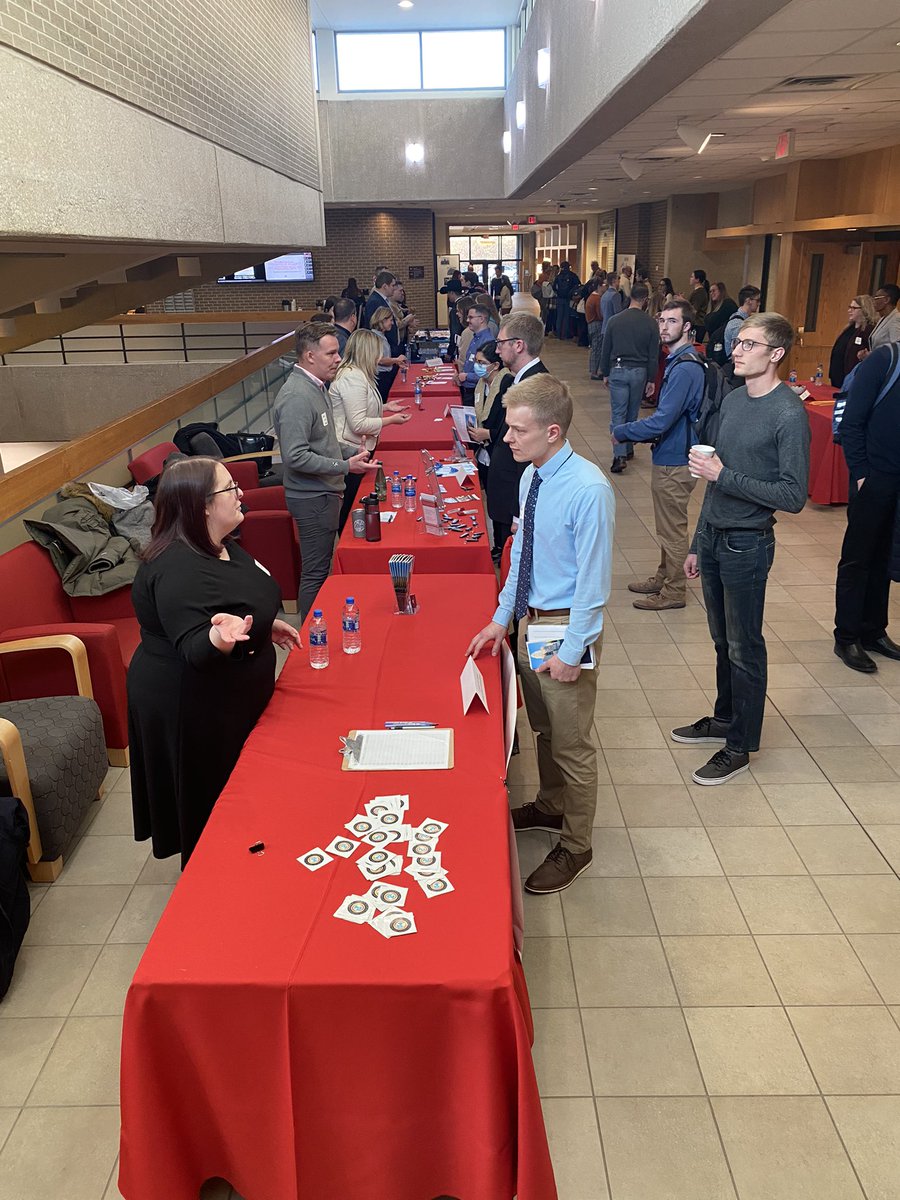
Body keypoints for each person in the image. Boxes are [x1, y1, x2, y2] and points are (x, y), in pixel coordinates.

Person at [467, 374, 615, 894]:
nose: (506, 437)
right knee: (545, 731)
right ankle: (552, 805)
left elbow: (594, 584)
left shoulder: (589, 489)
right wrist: (501, 619)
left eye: (517, 429)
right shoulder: (533, 477)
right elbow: (522, 563)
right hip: (531, 621)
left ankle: (577, 845)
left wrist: (573, 651)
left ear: (553, 431)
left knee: (573, 745)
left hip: (564, 626)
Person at [127, 457, 302, 866]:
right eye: (229, 488)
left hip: (229, 690)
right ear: (202, 505)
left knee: (242, 786)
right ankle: (216, 870)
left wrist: (262, 626)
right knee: (211, 797)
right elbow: (195, 649)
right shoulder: (177, 567)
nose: (240, 492)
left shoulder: (219, 544)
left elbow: (238, 597)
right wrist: (220, 638)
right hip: (191, 702)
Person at [676, 312, 810, 785]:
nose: (736, 350)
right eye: (737, 343)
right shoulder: (733, 400)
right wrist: (697, 541)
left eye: (749, 344)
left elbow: (794, 495)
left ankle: (739, 747)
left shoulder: (788, 413)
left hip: (748, 545)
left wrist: (724, 477)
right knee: (720, 640)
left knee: (744, 646)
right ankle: (726, 717)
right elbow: (715, 480)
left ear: (775, 354)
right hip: (714, 538)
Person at [273, 323, 378, 619]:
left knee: (322, 567)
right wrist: (345, 465)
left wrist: (351, 452)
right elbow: (295, 457)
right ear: (309, 356)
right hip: (312, 499)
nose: (338, 359)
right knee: (316, 572)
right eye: (331, 353)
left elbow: (324, 442)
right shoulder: (296, 397)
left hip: (324, 494)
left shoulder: (316, 387)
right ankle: (311, 633)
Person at [612, 300, 705, 610]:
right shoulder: (680, 361)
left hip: (676, 461)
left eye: (672, 321)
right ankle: (664, 575)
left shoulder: (686, 367)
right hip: (671, 454)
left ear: (687, 327)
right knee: (667, 525)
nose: (664, 327)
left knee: (672, 528)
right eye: (662, 321)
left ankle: (674, 591)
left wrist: (624, 431)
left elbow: (662, 419)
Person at [832, 342, 900, 672]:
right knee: (858, 558)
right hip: (873, 478)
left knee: (886, 557)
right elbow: (851, 422)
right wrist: (861, 475)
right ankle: (846, 636)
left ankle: (874, 630)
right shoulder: (886, 359)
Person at [330, 329, 411, 531]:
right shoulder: (352, 378)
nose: (379, 356)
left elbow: (359, 406)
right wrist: (390, 420)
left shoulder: (358, 374)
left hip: (358, 447)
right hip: (349, 449)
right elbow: (358, 423)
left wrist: (385, 407)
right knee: (350, 506)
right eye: (376, 351)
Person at [484, 312, 549, 557]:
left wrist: (518, 514)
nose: (497, 350)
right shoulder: (518, 379)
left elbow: (531, 459)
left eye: (500, 343)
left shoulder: (536, 387)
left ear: (518, 345)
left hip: (514, 496)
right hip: (506, 491)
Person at [598, 282, 660, 473]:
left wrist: (605, 372)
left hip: (617, 368)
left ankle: (619, 455)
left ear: (630, 297)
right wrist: (651, 378)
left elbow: (605, 347)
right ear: (645, 300)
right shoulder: (650, 323)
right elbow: (653, 354)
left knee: (618, 413)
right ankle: (629, 446)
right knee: (632, 413)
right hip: (639, 372)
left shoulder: (615, 321)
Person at [467, 340, 510, 489]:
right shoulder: (481, 383)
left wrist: (488, 434)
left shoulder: (506, 385)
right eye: (476, 361)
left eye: (482, 362)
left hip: (499, 453)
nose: (477, 366)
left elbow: (506, 424)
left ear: (496, 365)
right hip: (482, 453)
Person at [828, 296, 876, 387]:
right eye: (849, 307)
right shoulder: (849, 328)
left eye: (853, 308)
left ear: (864, 309)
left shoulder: (868, 330)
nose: (849, 311)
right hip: (837, 375)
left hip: (852, 379)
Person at [456, 303, 495, 405]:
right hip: (468, 389)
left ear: (481, 319)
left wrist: (467, 376)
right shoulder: (475, 337)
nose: (467, 320)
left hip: (476, 392)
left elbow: (489, 373)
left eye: (471, 317)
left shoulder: (487, 342)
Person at [369, 305, 408, 401]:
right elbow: (380, 359)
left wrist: (396, 361)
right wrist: (396, 360)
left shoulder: (381, 336)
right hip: (380, 377)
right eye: (390, 320)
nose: (392, 323)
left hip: (384, 375)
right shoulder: (375, 337)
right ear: (383, 320)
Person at [704, 282, 738, 365]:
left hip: (722, 347)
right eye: (710, 292)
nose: (712, 293)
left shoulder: (728, 304)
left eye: (714, 291)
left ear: (721, 291)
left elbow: (711, 322)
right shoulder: (715, 307)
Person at [724, 285, 761, 358]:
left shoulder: (737, 317)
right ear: (748, 301)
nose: (759, 304)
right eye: (757, 300)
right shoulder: (738, 324)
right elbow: (737, 353)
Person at [552, 260, 581, 340]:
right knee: (566, 317)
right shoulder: (573, 276)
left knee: (559, 316)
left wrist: (558, 292)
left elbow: (554, 287)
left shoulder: (558, 276)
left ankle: (558, 334)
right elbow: (578, 285)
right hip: (569, 298)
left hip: (559, 298)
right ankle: (565, 334)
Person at [867, 284, 900, 352]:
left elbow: (896, 348)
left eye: (876, 298)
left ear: (886, 300)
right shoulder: (883, 318)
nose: (873, 301)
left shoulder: (896, 319)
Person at [586, 282, 603, 379]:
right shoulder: (597, 299)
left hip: (590, 324)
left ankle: (593, 370)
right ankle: (594, 372)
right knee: (596, 348)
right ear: (599, 286)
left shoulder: (591, 297)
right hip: (596, 324)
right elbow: (600, 314)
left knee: (594, 348)